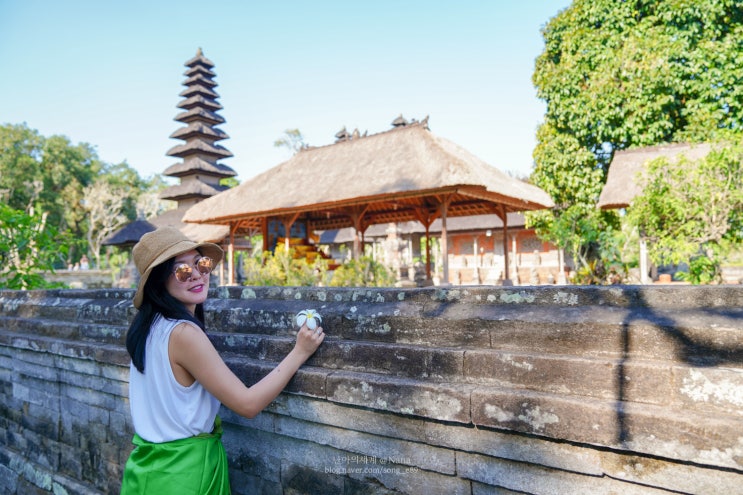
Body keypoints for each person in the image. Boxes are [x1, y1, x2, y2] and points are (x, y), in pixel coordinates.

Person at [120, 227, 324, 494]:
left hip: (146, 470)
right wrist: (300, 352)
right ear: (158, 282)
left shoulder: (147, 328)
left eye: (200, 263)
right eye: (181, 270)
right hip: (185, 474)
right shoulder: (183, 333)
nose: (196, 274)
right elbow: (248, 404)